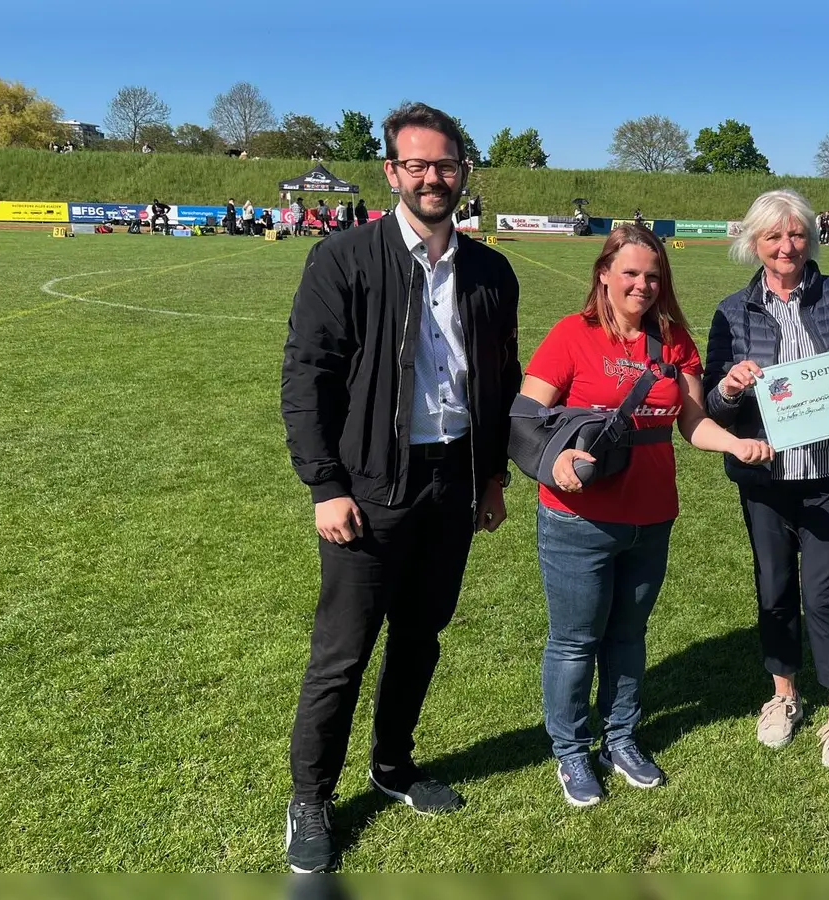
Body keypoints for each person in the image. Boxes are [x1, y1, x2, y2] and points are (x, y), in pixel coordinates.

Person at [280, 101, 521, 873]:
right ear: (391, 173)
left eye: (444, 166)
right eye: (415, 165)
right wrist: (325, 485)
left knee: (420, 637)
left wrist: (489, 477)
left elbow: (497, 380)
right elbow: (306, 378)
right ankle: (311, 798)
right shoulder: (344, 259)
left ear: (463, 174)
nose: (431, 178)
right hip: (371, 487)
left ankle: (392, 765)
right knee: (342, 655)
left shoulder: (490, 270)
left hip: (452, 482)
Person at [518, 224, 773, 808]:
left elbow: (692, 421)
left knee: (629, 636)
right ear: (604, 274)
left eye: (652, 275)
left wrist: (733, 444)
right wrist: (553, 464)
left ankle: (621, 738)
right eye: (630, 273)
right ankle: (571, 751)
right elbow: (525, 420)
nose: (642, 284)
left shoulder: (673, 339)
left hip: (652, 516)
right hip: (577, 518)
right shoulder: (570, 335)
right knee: (576, 641)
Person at [704, 189, 829, 769]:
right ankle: (782, 696)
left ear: (812, 238)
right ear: (754, 242)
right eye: (774, 236)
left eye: (797, 234)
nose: (787, 246)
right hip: (766, 478)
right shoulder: (733, 311)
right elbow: (710, 405)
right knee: (774, 588)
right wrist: (729, 387)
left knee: (824, 593)